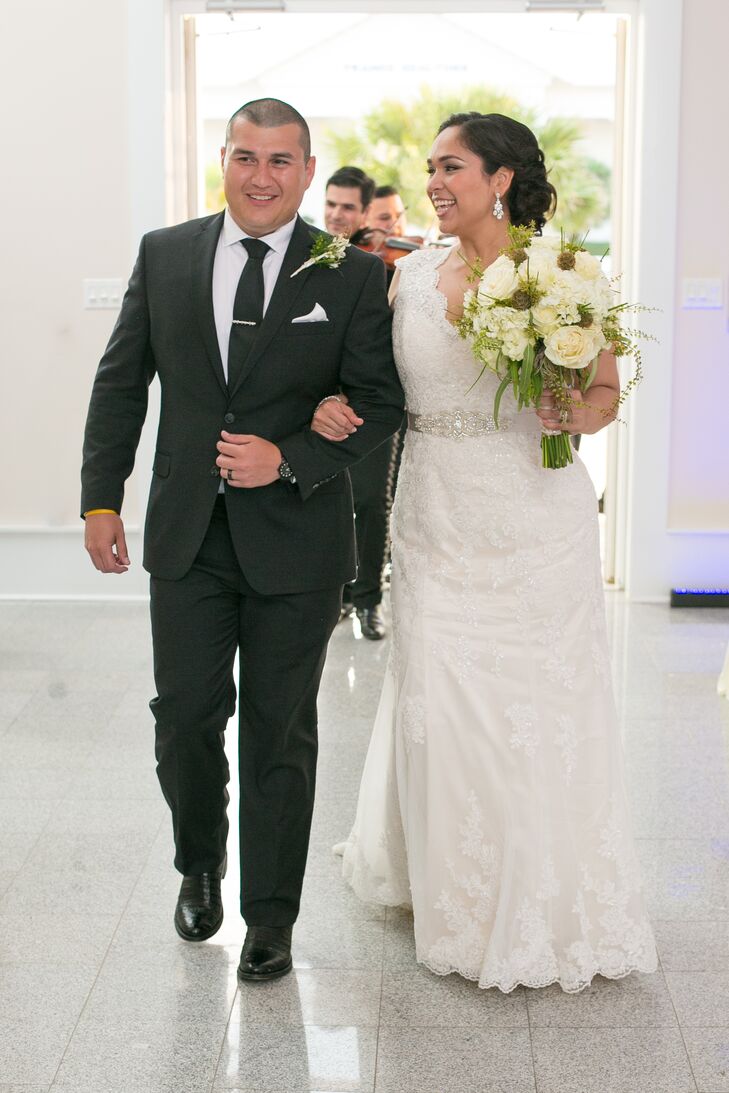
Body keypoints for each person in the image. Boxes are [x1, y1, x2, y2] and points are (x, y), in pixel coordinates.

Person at [313, 112, 657, 992]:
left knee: (542, 702)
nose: (432, 180)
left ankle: (546, 888)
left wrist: (575, 413)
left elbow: (605, 386)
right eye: (428, 166)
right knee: (443, 695)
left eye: (451, 165)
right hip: (435, 512)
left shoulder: (568, 274)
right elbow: (361, 374)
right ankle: (456, 893)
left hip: (538, 517)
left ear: (500, 178)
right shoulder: (408, 275)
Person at [81, 98, 403, 983]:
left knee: (279, 733)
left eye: (281, 160)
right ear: (222, 158)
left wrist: (291, 456)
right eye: (245, 156)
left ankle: (271, 916)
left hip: (296, 542)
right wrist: (99, 498)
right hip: (186, 536)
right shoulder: (166, 253)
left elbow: (378, 404)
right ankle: (198, 862)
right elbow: (121, 383)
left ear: (307, 171)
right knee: (184, 717)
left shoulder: (348, 272)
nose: (261, 176)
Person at [322, 167, 396, 640]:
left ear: (367, 212)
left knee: (371, 503)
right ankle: (336, 597)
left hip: (370, 406)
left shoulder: (390, 264)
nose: (336, 215)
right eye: (331, 204)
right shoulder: (306, 258)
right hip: (318, 407)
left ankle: (369, 599)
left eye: (348, 207)